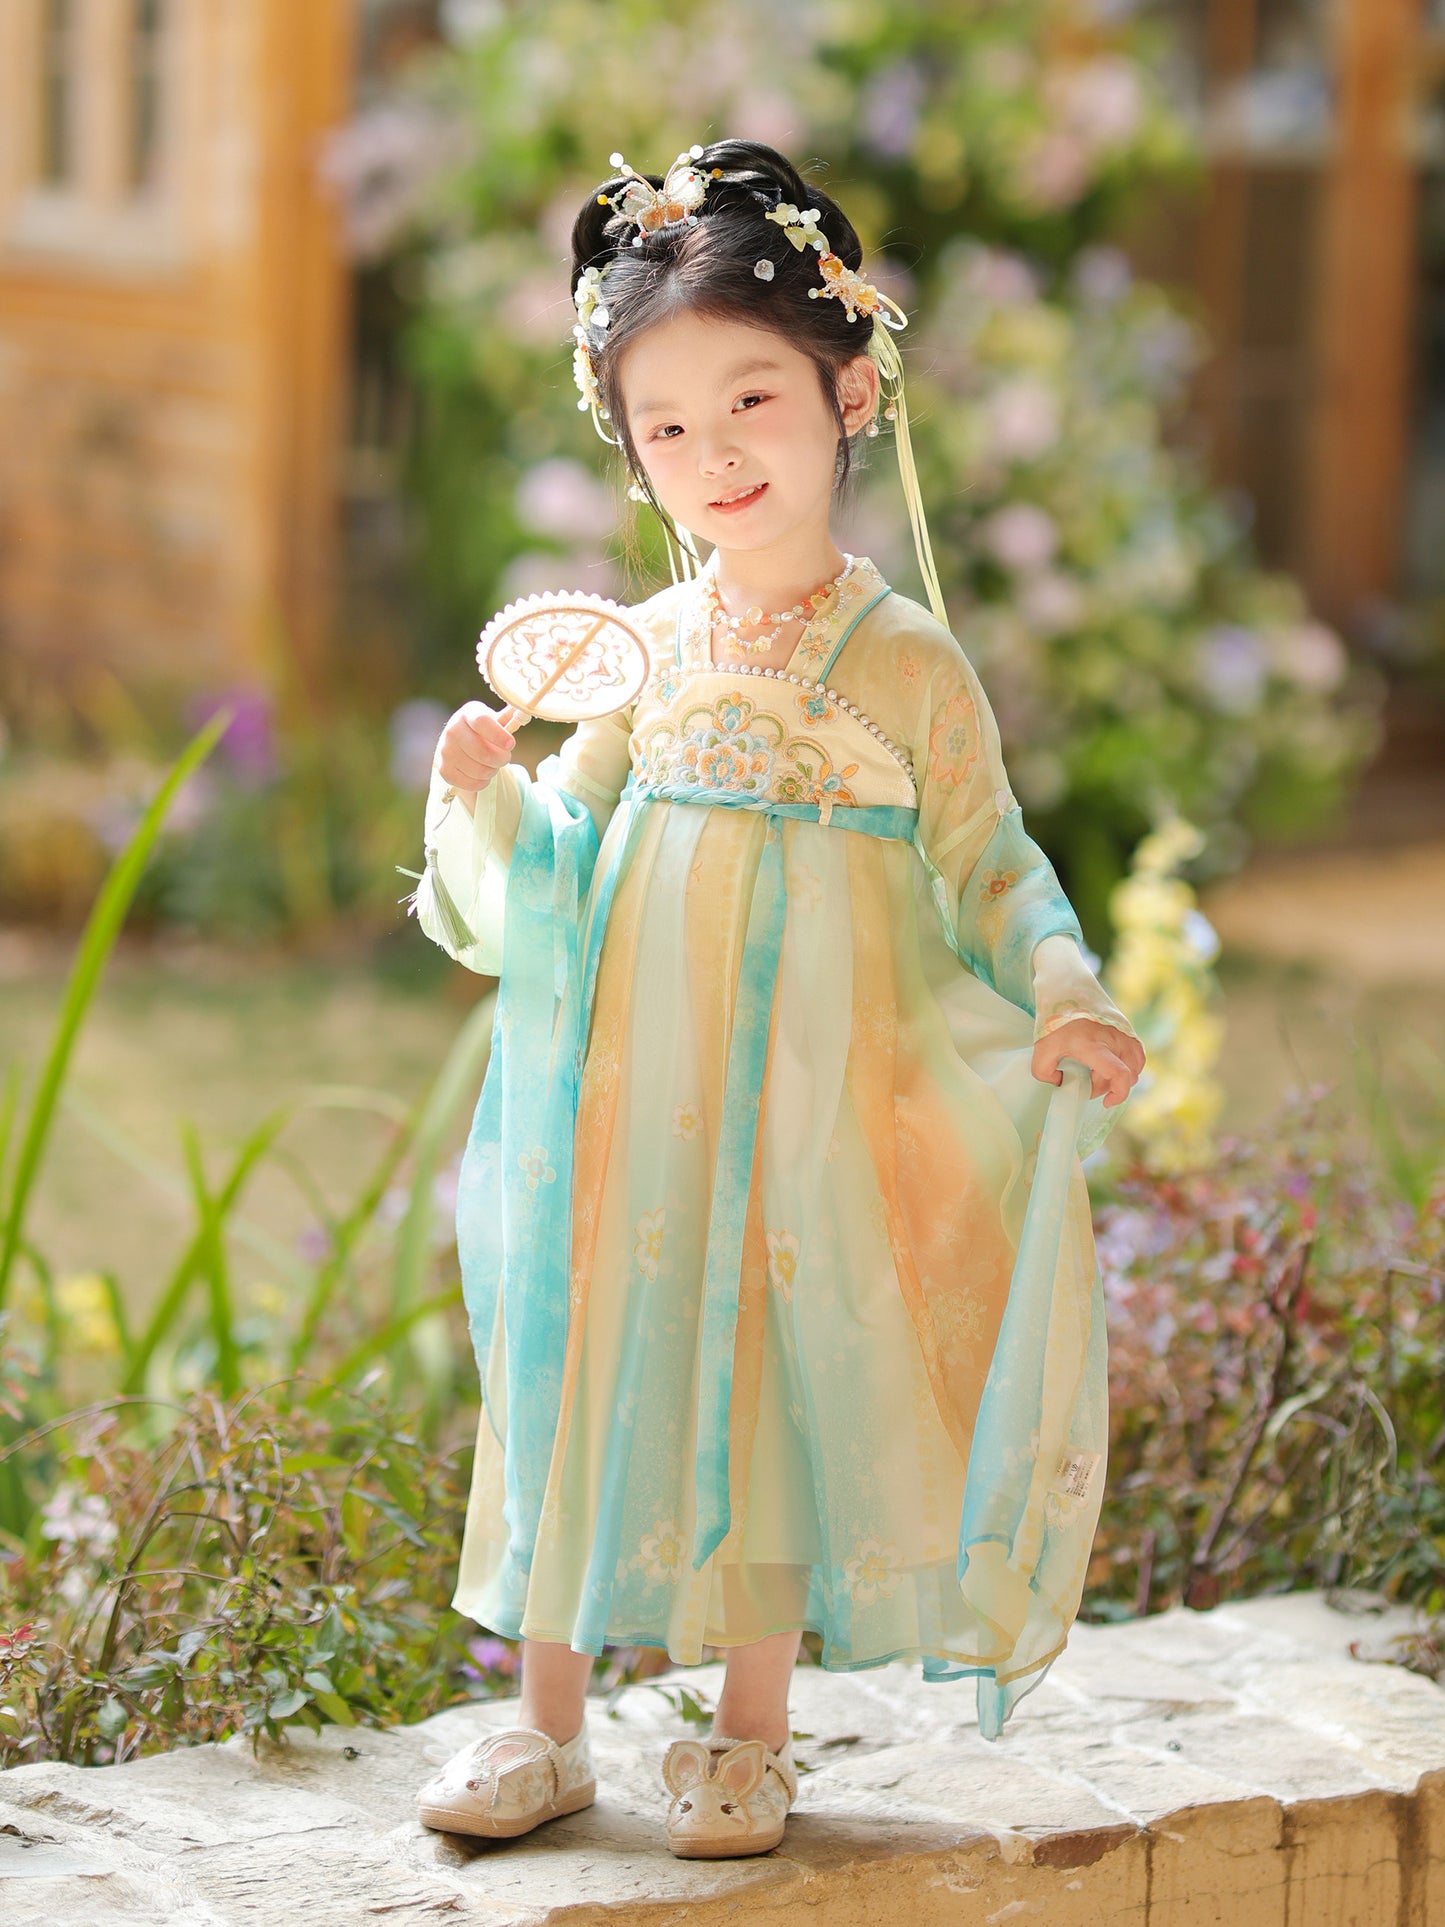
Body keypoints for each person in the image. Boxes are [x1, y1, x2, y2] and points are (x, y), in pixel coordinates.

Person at [408, 138, 1146, 1858]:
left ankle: (746, 1730)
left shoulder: (904, 662)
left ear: (848, 390)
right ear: (628, 446)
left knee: (766, 1368)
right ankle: (543, 1721)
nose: (714, 454)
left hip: (814, 1103)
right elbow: (566, 849)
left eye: (751, 400)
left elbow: (990, 862)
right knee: (593, 1350)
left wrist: (1063, 987)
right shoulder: (644, 654)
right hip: (629, 1094)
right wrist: (486, 801)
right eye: (665, 426)